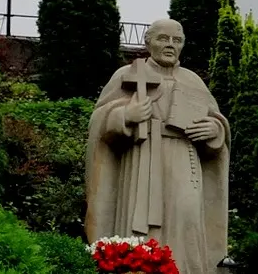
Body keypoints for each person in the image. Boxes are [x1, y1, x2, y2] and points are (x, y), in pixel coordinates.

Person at [85, 18, 229, 272]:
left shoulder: (193, 80)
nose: (170, 45)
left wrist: (214, 130)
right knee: (141, 226)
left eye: (177, 40)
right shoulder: (127, 75)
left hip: (185, 161)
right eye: (163, 38)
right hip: (141, 160)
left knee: (186, 217)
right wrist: (126, 116)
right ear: (148, 42)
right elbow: (99, 121)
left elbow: (216, 121)